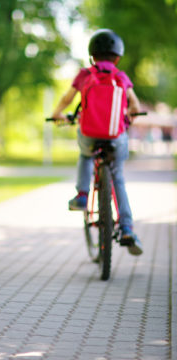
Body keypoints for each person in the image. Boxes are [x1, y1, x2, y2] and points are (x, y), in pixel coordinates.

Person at [50, 29, 143, 256]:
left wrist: (57, 114)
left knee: (85, 154)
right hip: (116, 136)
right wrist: (129, 114)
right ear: (117, 57)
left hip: (90, 134)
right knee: (118, 178)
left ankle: (82, 195)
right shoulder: (120, 77)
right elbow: (135, 106)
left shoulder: (84, 75)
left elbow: (67, 98)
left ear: (92, 55)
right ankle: (128, 227)